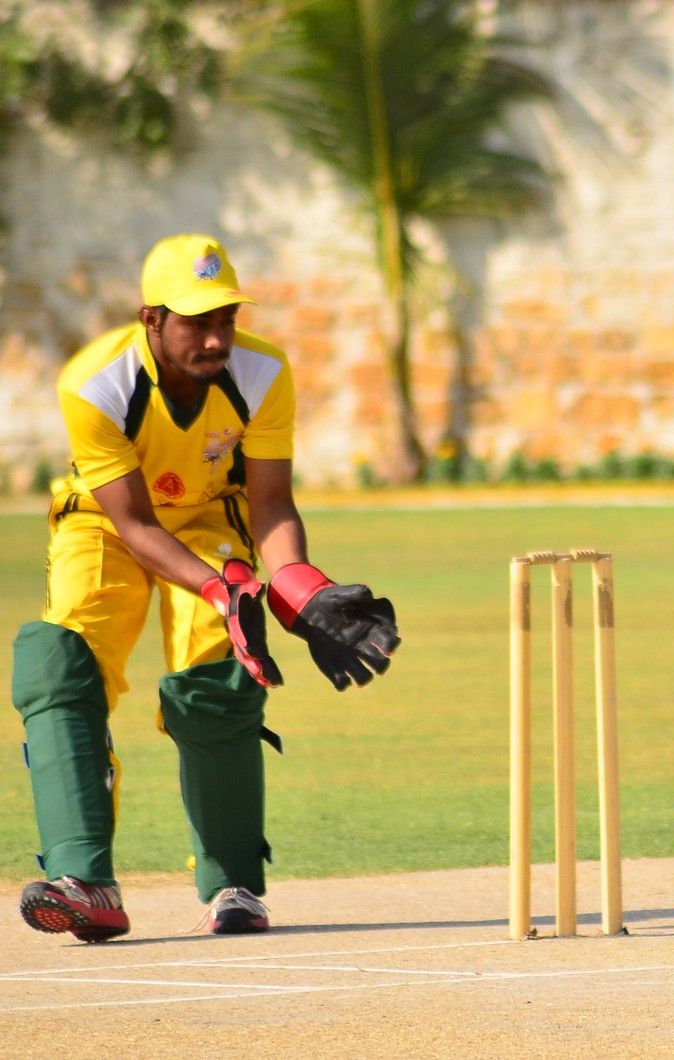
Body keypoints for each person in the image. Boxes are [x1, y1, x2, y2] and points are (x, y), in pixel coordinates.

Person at [12, 233, 400, 941]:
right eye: (197, 322)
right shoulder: (95, 384)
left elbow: (271, 505)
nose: (217, 338)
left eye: (226, 318)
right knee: (57, 661)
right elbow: (135, 524)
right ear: (152, 319)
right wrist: (224, 591)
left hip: (209, 520)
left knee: (217, 679)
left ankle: (233, 885)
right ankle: (84, 882)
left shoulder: (261, 371)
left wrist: (303, 590)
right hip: (106, 523)